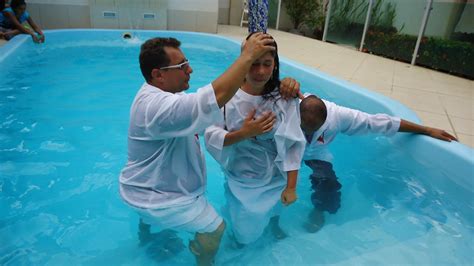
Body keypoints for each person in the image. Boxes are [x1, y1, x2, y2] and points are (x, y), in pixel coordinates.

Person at [118, 33, 275, 266]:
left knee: (149, 220)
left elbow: (207, 109)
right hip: (159, 200)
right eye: (182, 65)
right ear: (158, 75)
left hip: (138, 188)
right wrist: (247, 55)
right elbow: (215, 97)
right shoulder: (157, 107)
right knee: (215, 228)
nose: (190, 69)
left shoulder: (161, 95)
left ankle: (147, 238)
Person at [297, 94, 458, 233]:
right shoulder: (289, 107)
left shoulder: (338, 115)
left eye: (313, 130)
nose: (308, 134)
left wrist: (427, 130)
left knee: (328, 183)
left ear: (325, 120)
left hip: (316, 153)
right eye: (305, 129)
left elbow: (379, 122)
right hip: (288, 149)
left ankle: (320, 210)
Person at [204, 33, 306, 246]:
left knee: (276, 209)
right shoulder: (227, 96)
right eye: (254, 63)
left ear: (275, 65)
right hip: (244, 179)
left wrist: (291, 187)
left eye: (267, 64)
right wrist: (244, 133)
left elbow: (293, 144)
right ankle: (240, 241)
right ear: (243, 62)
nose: (260, 71)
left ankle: (273, 223)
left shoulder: (283, 97)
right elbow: (211, 137)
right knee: (245, 233)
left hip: (276, 177)